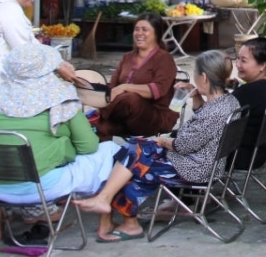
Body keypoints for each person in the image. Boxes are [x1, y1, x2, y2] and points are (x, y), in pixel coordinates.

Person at [74, 50, 239, 243]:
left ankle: (121, 217)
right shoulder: (229, 102)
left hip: (195, 168)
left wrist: (162, 141)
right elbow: (204, 123)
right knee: (134, 153)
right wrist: (195, 96)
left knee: (135, 159)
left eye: (195, 73)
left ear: (203, 77)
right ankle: (111, 213)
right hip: (205, 163)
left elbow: (184, 145)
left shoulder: (216, 112)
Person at [0, 42, 120, 242]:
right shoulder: (60, 98)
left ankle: (0, 226)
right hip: (41, 187)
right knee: (112, 150)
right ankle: (106, 218)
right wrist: (63, 146)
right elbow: (89, 146)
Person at [93, 13, 179, 141]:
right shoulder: (127, 57)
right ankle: (105, 157)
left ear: (157, 34)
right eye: (137, 29)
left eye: (145, 30)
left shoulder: (164, 59)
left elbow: (159, 90)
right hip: (124, 116)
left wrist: (125, 87)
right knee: (100, 127)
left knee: (130, 99)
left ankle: (97, 113)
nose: (139, 33)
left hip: (154, 118)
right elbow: (112, 87)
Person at [230, 36, 266, 170]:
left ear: (262, 65)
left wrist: (207, 89)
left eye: (243, 60)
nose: (238, 64)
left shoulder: (250, 91)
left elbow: (210, 115)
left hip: (234, 156)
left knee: (179, 142)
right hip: (256, 156)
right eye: (237, 58)